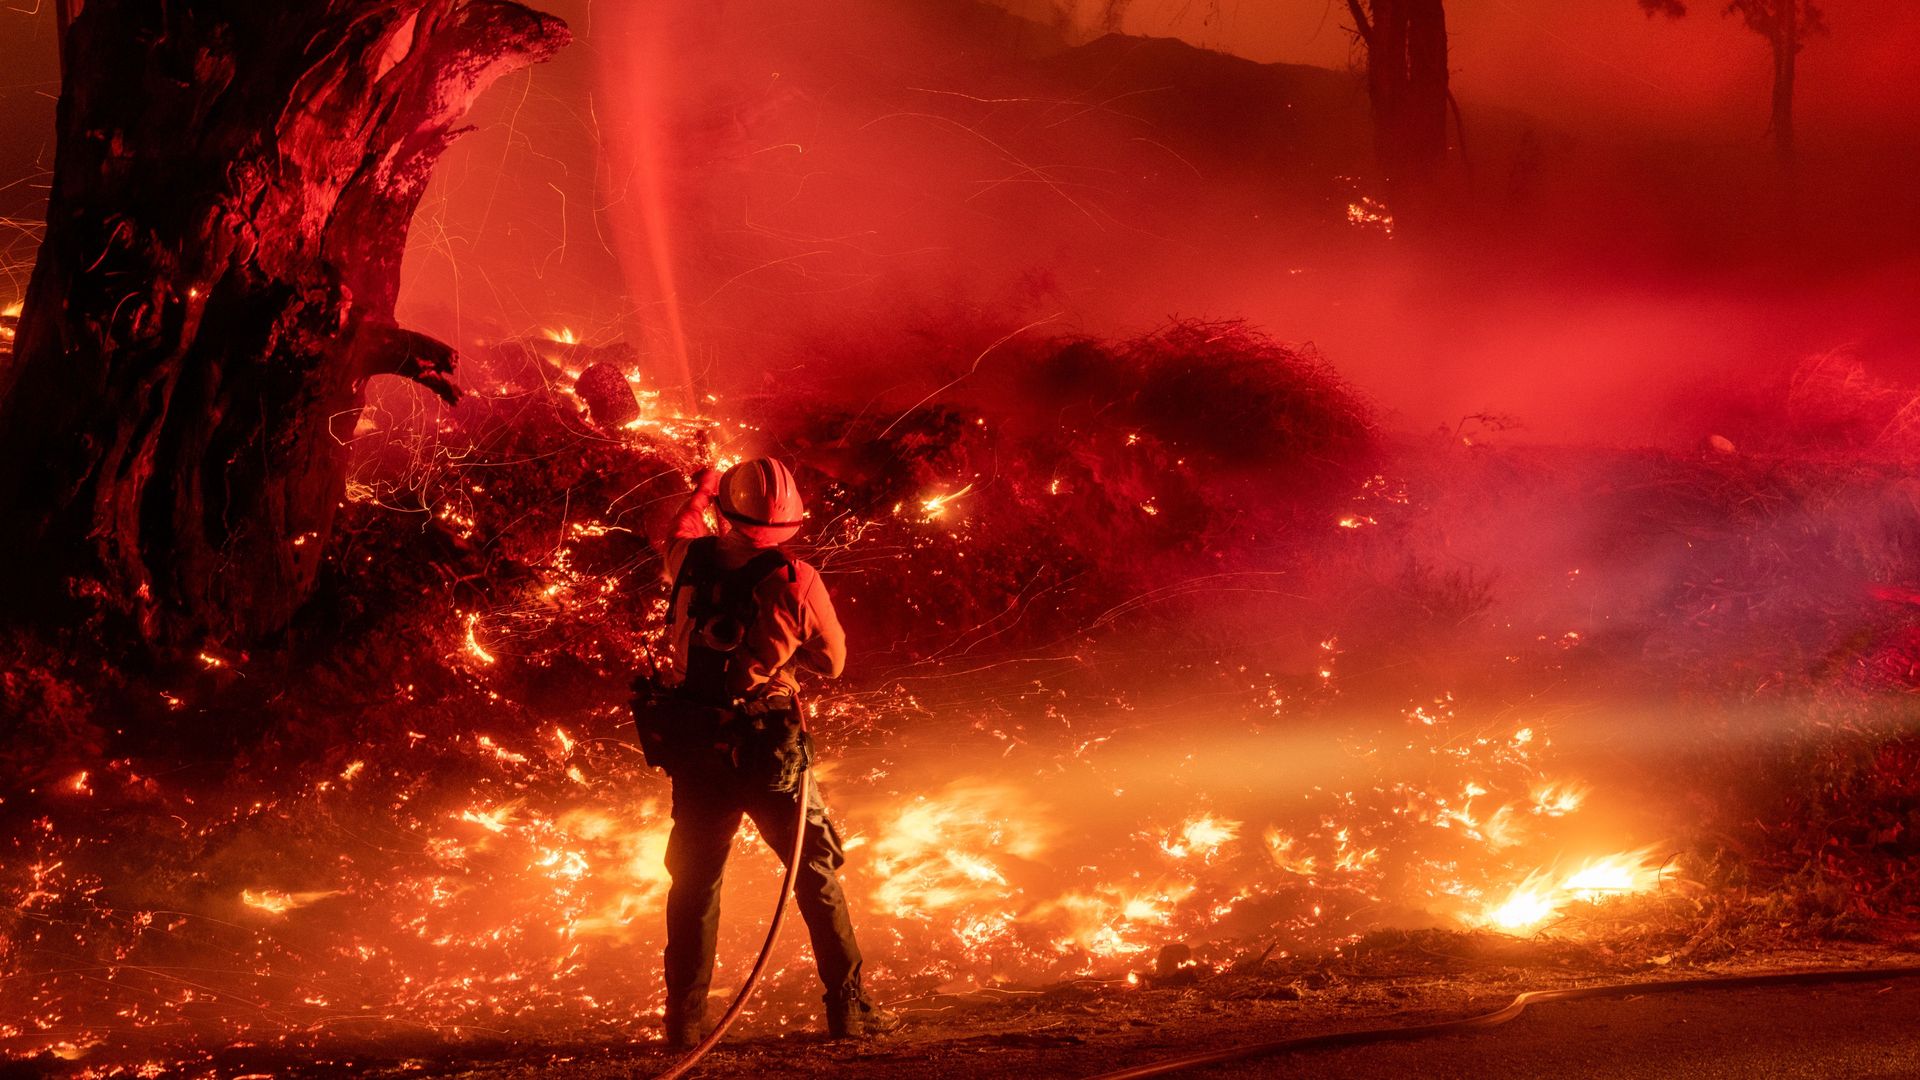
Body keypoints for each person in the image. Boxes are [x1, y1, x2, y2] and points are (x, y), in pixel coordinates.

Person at [639, 457, 899, 1049]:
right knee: (815, 874)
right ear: (793, 521)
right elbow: (832, 662)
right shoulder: (795, 578)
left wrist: (704, 488)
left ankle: (684, 1024)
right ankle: (848, 1011)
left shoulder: (688, 558)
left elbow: (682, 524)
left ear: (727, 511)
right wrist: (784, 654)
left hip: (696, 745)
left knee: (694, 883)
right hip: (766, 749)